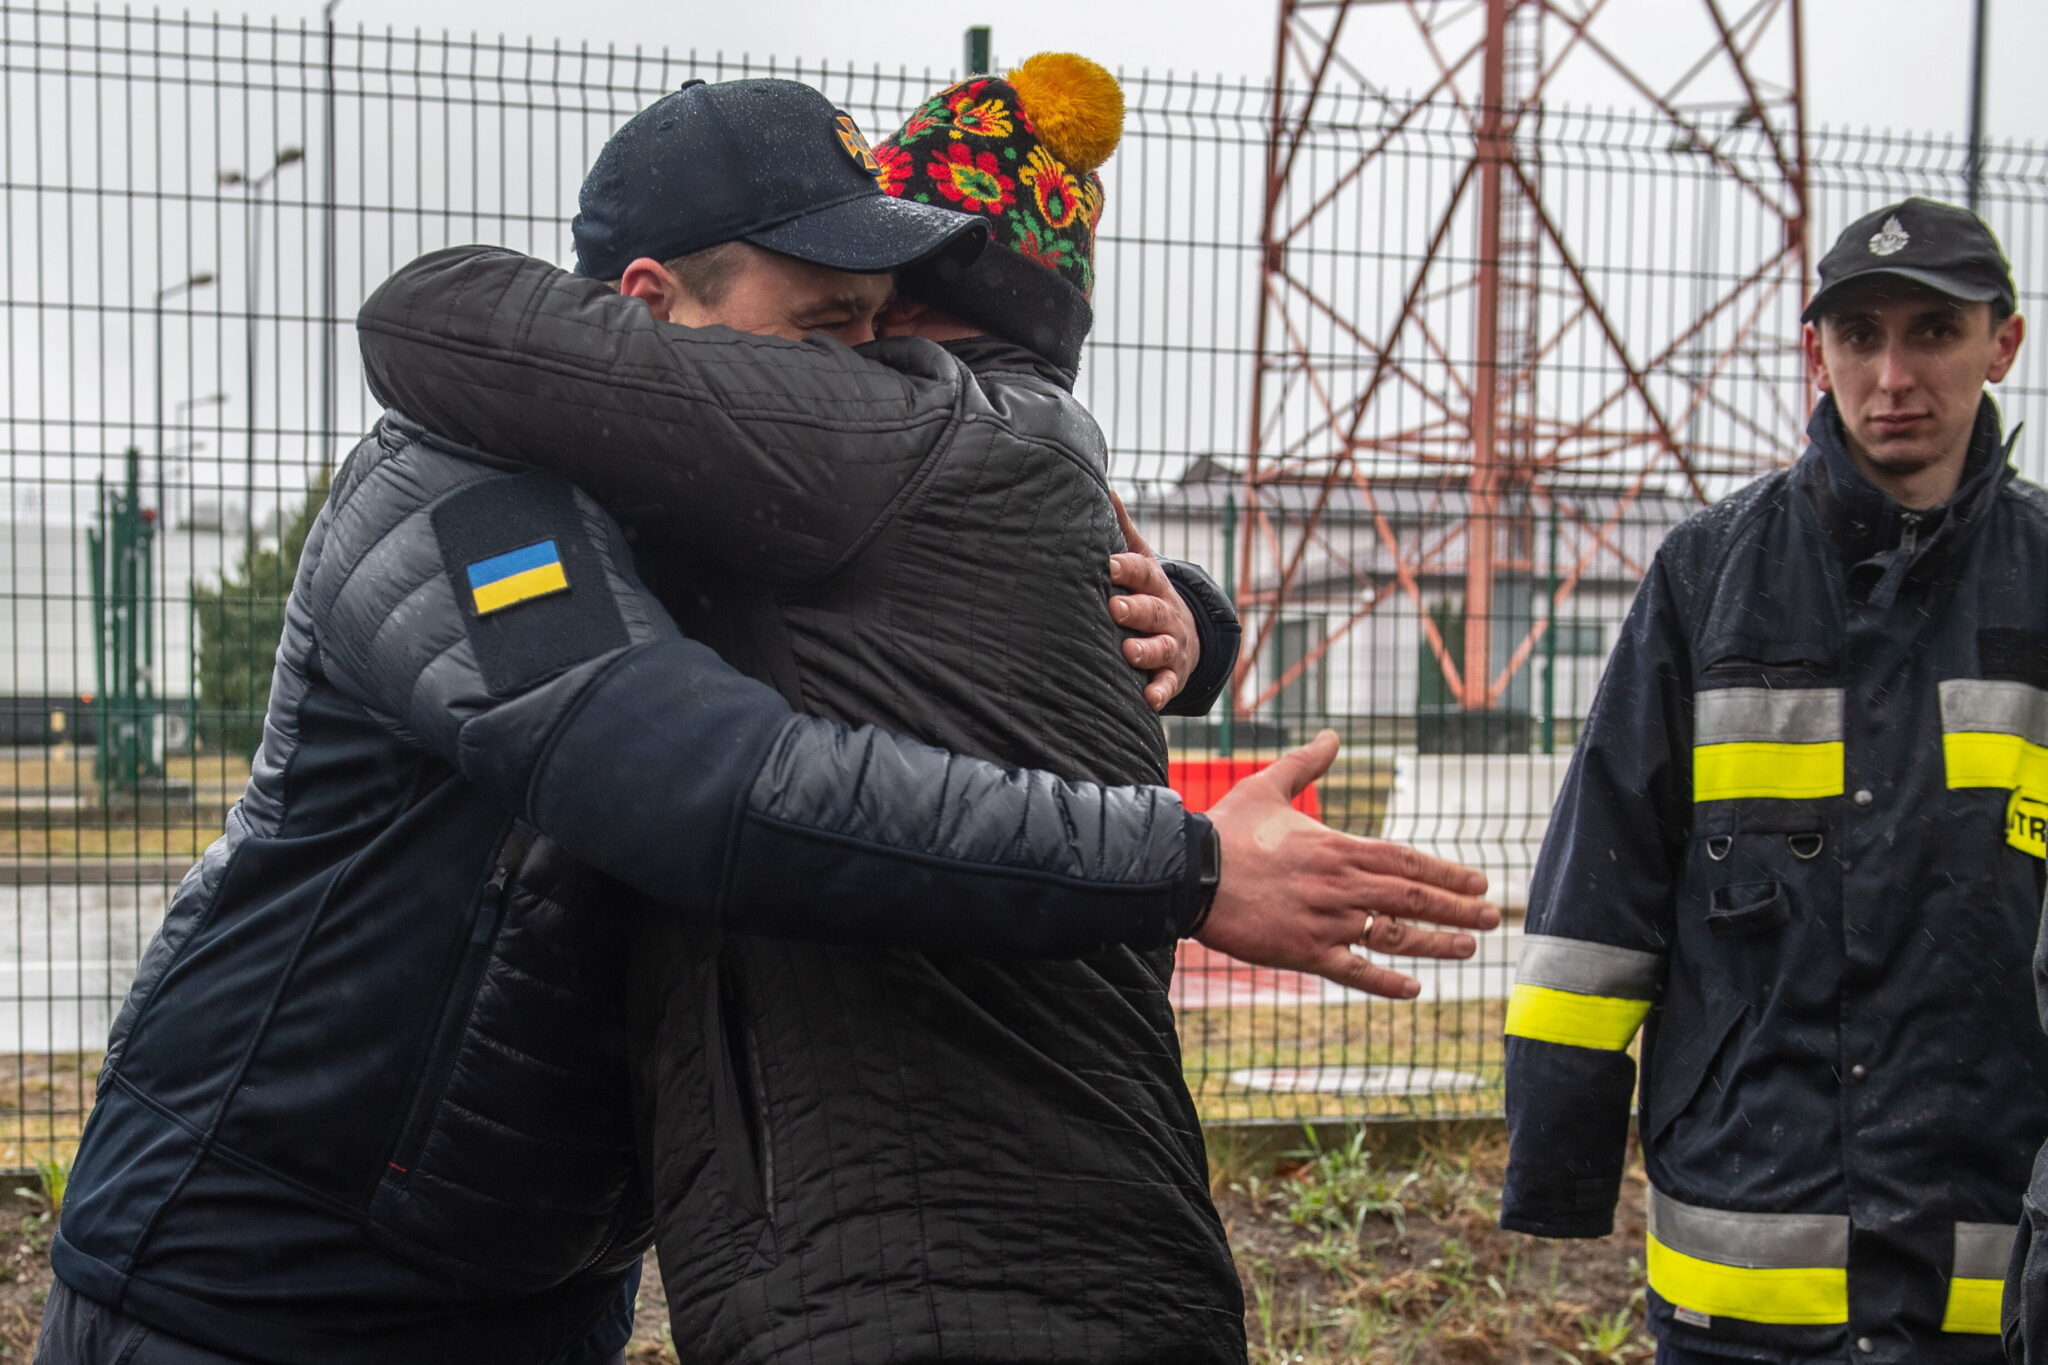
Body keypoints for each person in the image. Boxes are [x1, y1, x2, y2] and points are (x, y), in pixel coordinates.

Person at [39, 79, 1493, 1365]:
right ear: (650, 311)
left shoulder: (710, 514)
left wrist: (1181, 610)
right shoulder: (463, 503)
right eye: (825, 329)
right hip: (251, 1278)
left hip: (536, 1280)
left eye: (880, 332)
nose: (862, 375)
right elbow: (706, 785)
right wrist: (1181, 866)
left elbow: (927, 586)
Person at [1499, 195, 2041, 1365]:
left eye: (1932, 333)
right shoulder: (1708, 578)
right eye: (1857, 336)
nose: (1891, 373)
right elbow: (1596, 901)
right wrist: (1557, 1162)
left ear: (2002, 342)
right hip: (1744, 1265)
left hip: (1993, 1264)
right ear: (1815, 352)